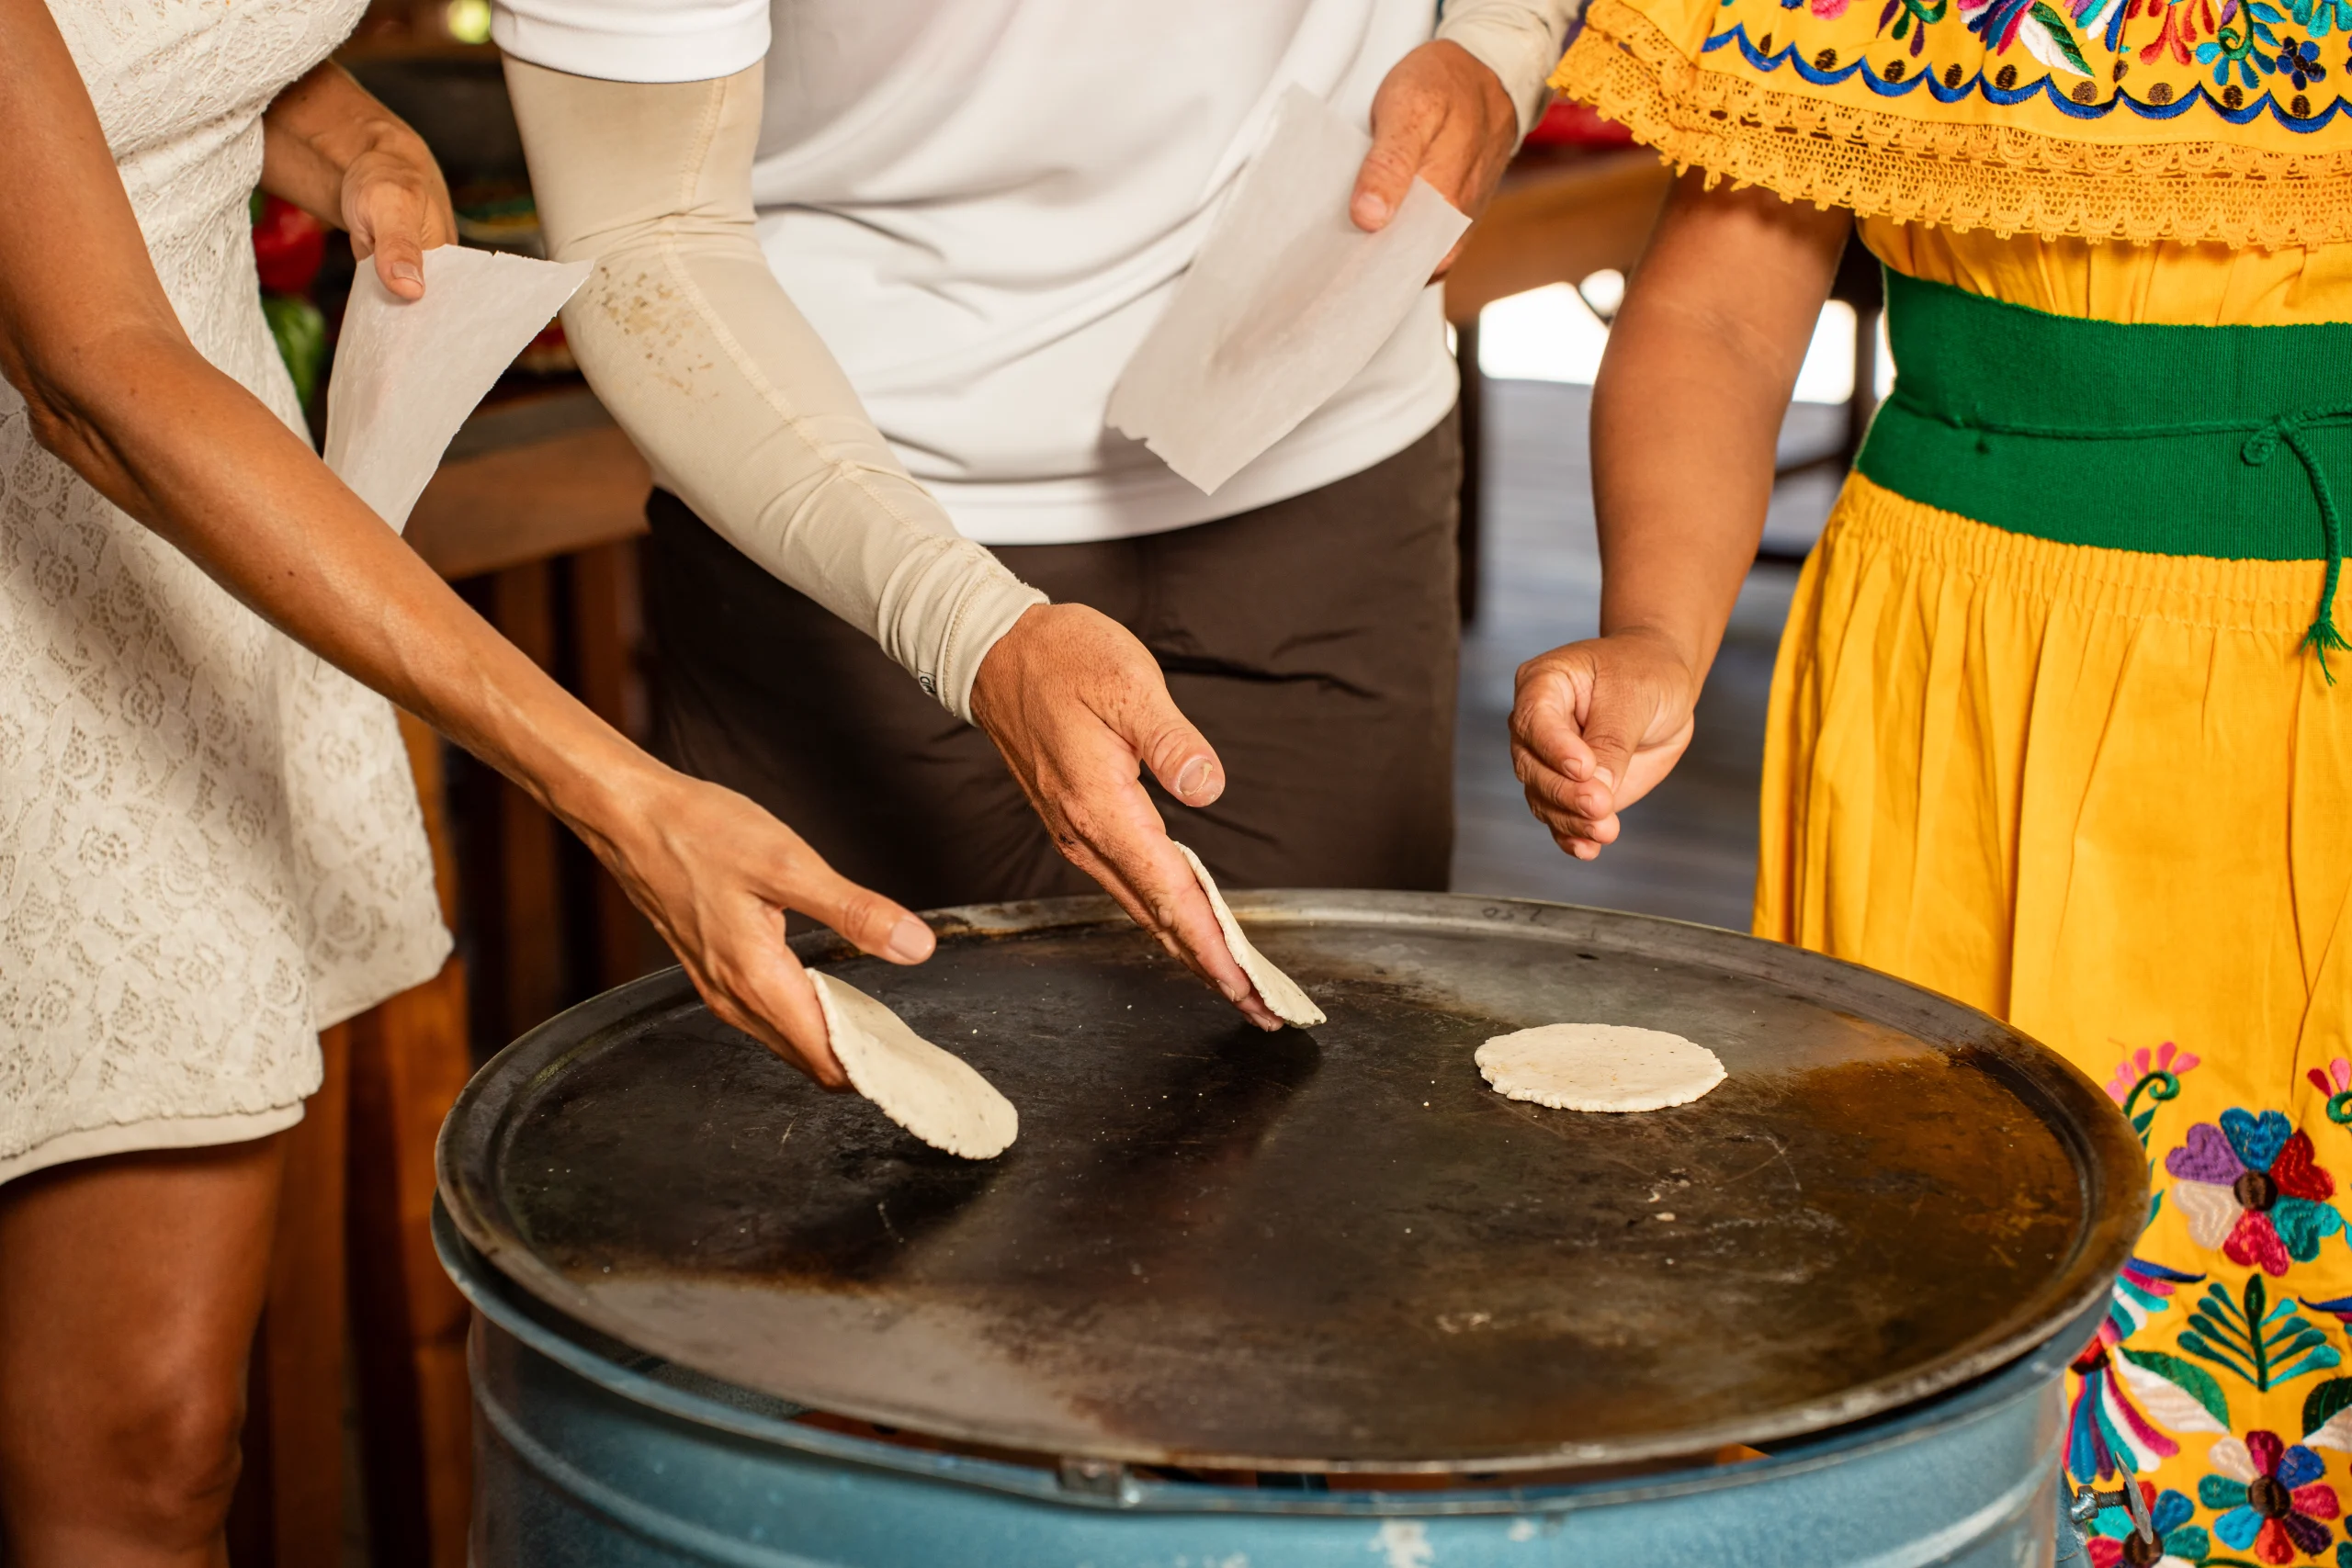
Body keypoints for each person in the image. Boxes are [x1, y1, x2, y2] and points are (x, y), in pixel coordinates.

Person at [0, 0, 943, 1555]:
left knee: (155, 1438)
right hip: (102, 444)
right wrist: (619, 791)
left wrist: (345, 131)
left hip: (187, 558)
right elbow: (90, 369)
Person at [1515, 0, 2352, 1551]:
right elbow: (1721, 314)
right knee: (1947, 1270)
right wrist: (1655, 631)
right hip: (1961, 669)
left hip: (2322, 673)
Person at [486, 0, 1578, 942]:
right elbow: (644, 229)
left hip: (1331, 460)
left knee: (1342, 1089)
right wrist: (963, 626)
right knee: (866, 1106)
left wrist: (1502, 42)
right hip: (844, 517)